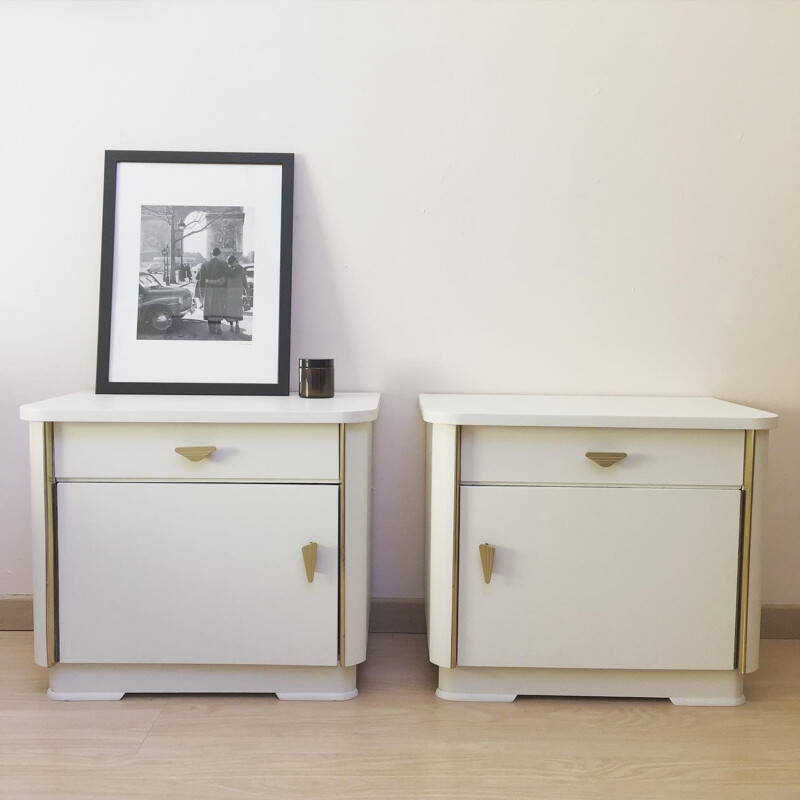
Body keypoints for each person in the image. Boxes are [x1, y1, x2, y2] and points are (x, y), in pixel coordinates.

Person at [195, 247, 228, 336]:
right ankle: (218, 327)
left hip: (209, 290)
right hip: (220, 290)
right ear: (219, 254)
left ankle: (211, 329)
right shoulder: (224, 264)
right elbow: (226, 280)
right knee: (219, 308)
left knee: (210, 308)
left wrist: (201, 293)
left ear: (211, 254)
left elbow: (201, 281)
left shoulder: (205, 265)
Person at [224, 255, 247, 334]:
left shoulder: (227, 270)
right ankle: (236, 325)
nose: (230, 265)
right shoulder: (241, 269)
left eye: (230, 263)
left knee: (231, 310)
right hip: (237, 293)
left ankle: (232, 327)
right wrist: (247, 292)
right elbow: (245, 282)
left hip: (229, 293)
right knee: (237, 309)